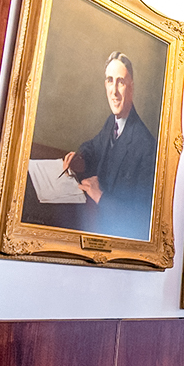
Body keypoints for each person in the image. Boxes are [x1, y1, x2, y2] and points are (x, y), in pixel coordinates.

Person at [63, 52, 157, 239]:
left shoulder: (147, 146)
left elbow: (140, 217)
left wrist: (99, 196)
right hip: (94, 218)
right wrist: (78, 158)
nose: (114, 91)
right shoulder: (111, 122)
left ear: (131, 88)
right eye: (109, 81)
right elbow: (94, 146)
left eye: (120, 82)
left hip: (115, 235)